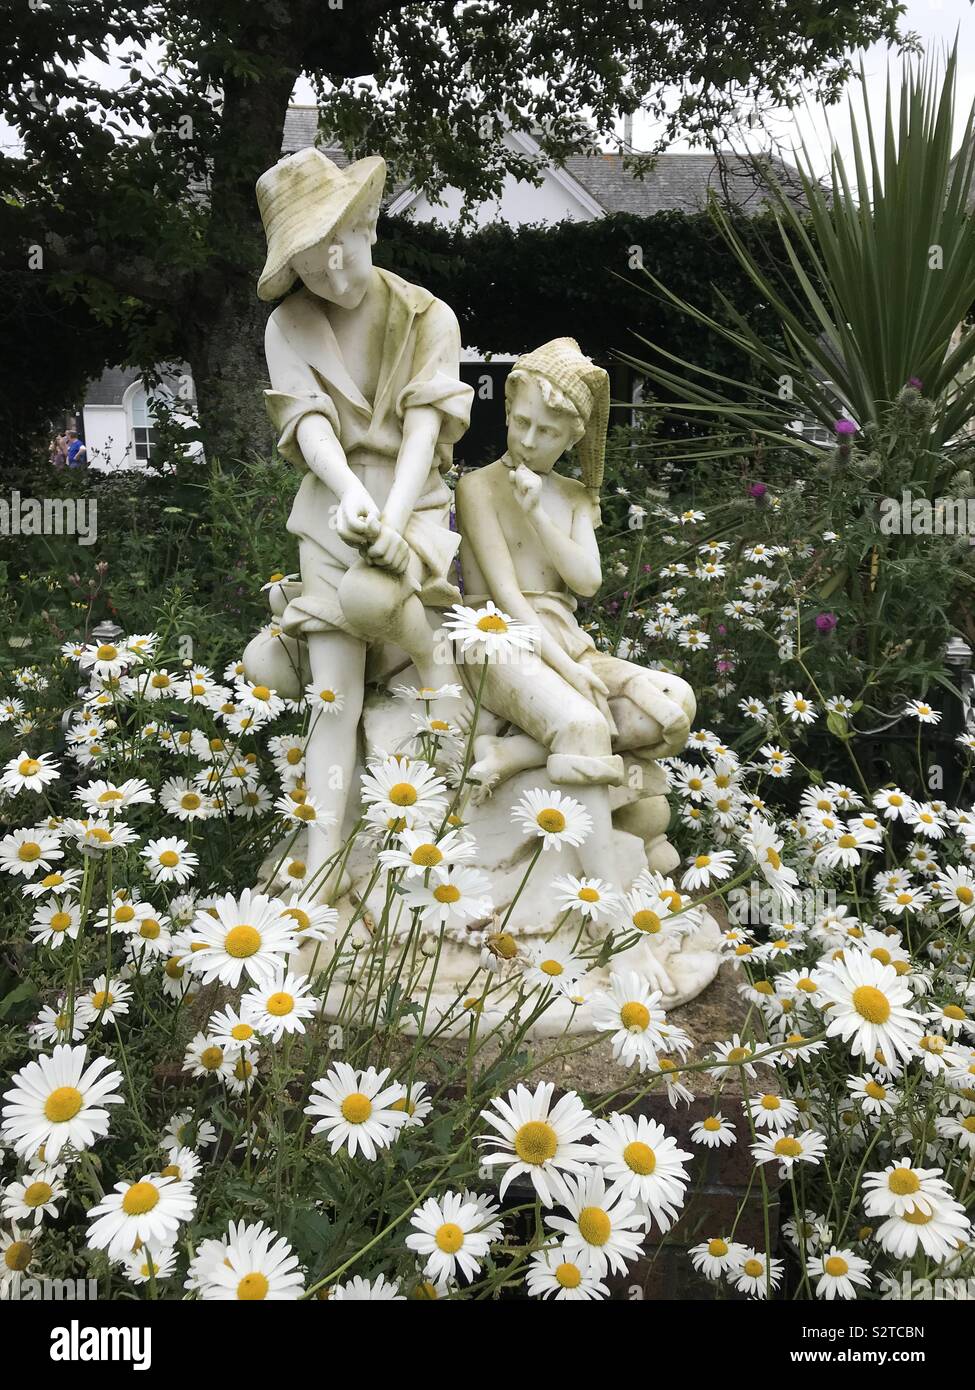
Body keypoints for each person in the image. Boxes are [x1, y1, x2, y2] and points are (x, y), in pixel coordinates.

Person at [253, 148, 473, 897]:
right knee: (331, 695)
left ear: (369, 223)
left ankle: (449, 832)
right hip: (329, 510)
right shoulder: (287, 325)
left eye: (343, 254)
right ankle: (323, 855)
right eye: (314, 269)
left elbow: (424, 430)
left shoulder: (428, 316)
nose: (335, 277)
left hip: (417, 507)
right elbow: (308, 426)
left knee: (426, 658)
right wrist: (350, 493)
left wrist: (393, 514)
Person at [455, 337, 694, 884]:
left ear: (572, 438)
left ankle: (516, 753)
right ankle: (605, 908)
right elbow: (508, 597)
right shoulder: (477, 488)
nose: (529, 441)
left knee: (675, 699)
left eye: (548, 433)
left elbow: (586, 582)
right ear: (509, 412)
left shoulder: (574, 495)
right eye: (521, 423)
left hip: (566, 636)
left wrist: (538, 511)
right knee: (586, 723)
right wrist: (570, 671)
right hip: (497, 637)